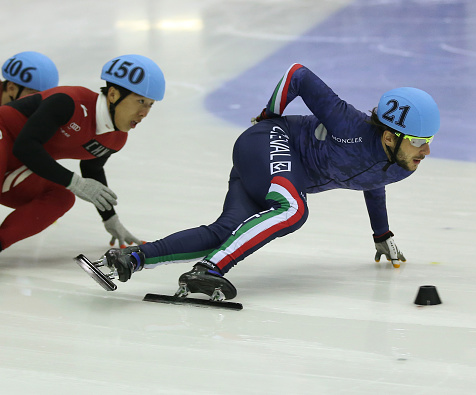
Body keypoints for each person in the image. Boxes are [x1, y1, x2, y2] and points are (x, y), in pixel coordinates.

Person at [102, 63, 439, 301]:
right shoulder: (349, 125)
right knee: (293, 209)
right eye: (419, 140)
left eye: (430, 140)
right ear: (391, 136)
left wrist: (381, 234)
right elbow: (298, 75)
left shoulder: (401, 166)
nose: (425, 150)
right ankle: (210, 270)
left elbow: (372, 180)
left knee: (224, 234)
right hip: (268, 140)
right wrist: (268, 114)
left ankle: (133, 258)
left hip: (268, 172)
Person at [0, 54, 165, 252]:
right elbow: (25, 146)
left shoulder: (115, 139)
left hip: (18, 167)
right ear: (113, 95)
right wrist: (75, 182)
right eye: (140, 101)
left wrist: (110, 218)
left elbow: (92, 169)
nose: (144, 113)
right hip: (5, 138)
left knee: (62, 197)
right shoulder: (70, 102)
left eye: (150, 105)